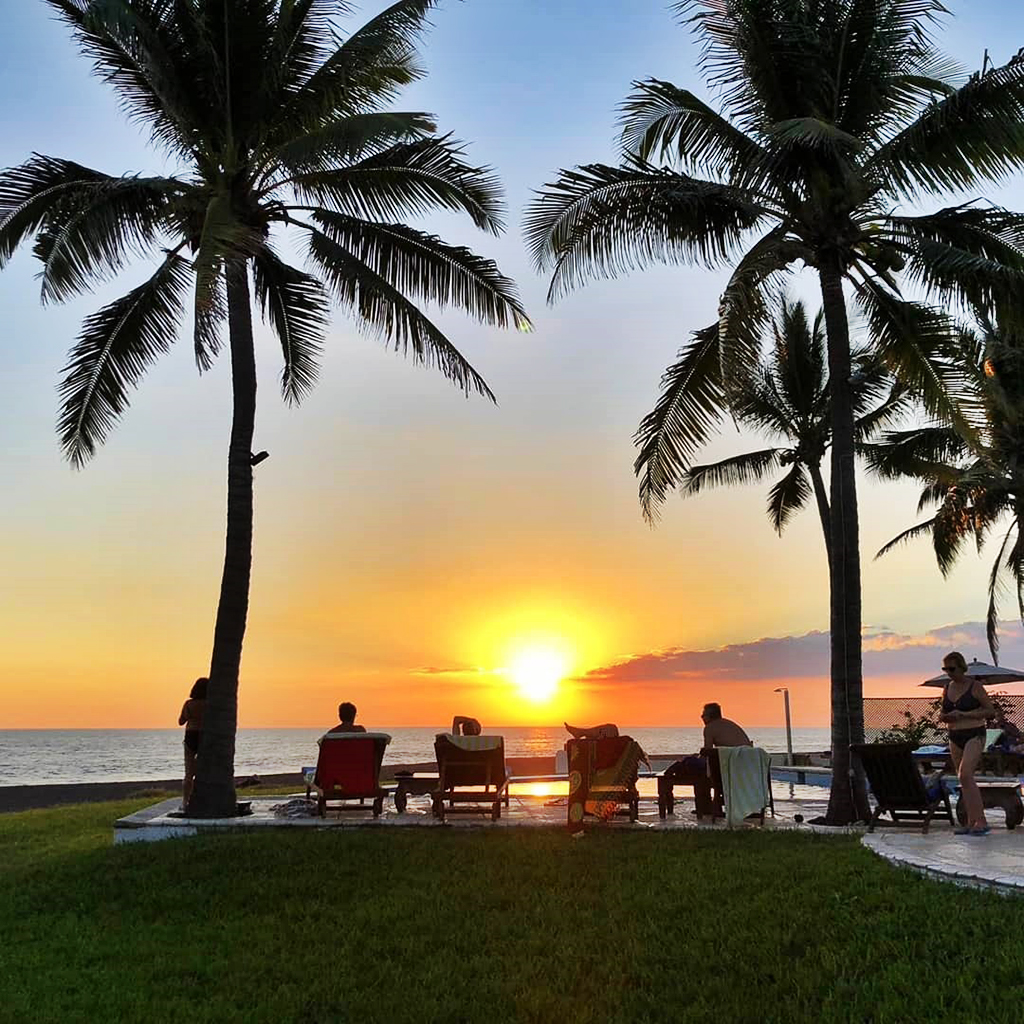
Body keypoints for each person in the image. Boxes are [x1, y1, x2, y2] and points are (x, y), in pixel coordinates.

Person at [939, 651, 996, 835]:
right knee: (962, 779)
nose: (949, 672)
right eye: (945, 669)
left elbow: (990, 711)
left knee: (966, 775)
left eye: (952, 668)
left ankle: (981, 820)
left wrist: (965, 714)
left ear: (962, 668)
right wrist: (946, 717)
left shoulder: (975, 686)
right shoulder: (947, 688)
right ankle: (971, 821)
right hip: (955, 735)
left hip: (974, 733)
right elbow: (942, 713)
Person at [178, 677, 207, 811]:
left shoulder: (189, 704)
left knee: (188, 773)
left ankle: (185, 802)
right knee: (205, 770)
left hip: (191, 736)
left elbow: (181, 721)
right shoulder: (210, 704)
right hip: (205, 737)